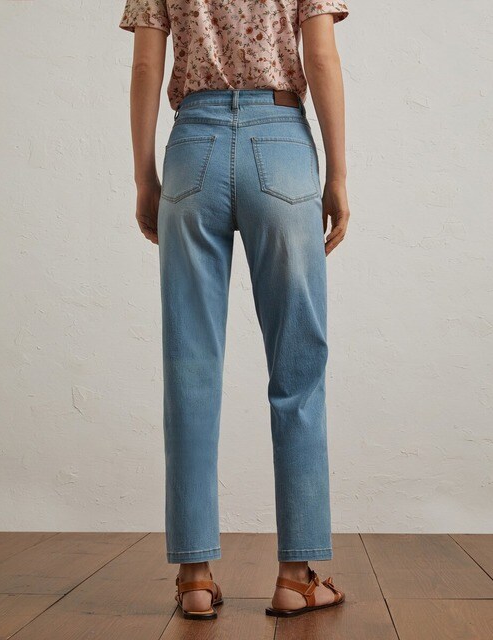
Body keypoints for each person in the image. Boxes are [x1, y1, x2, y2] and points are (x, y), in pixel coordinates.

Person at [119, 0, 350, 620]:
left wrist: (144, 176)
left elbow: (146, 65)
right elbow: (321, 56)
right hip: (281, 141)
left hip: (192, 144)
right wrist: (337, 175)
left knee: (189, 368)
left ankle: (194, 576)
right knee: (298, 369)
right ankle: (296, 577)